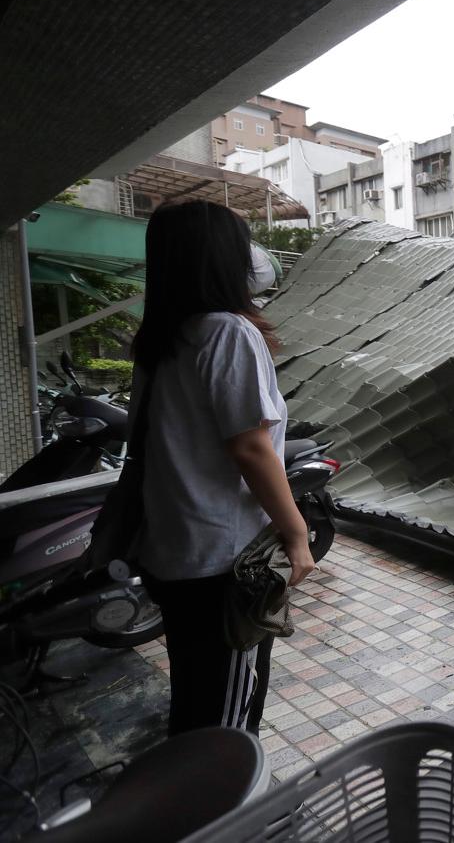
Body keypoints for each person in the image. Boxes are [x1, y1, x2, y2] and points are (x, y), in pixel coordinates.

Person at [130, 200, 314, 736]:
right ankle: (221, 809)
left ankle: (190, 799)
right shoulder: (228, 332)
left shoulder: (162, 339)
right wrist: (296, 534)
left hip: (171, 552)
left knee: (196, 690)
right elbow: (251, 449)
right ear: (222, 261)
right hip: (220, 562)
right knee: (227, 716)